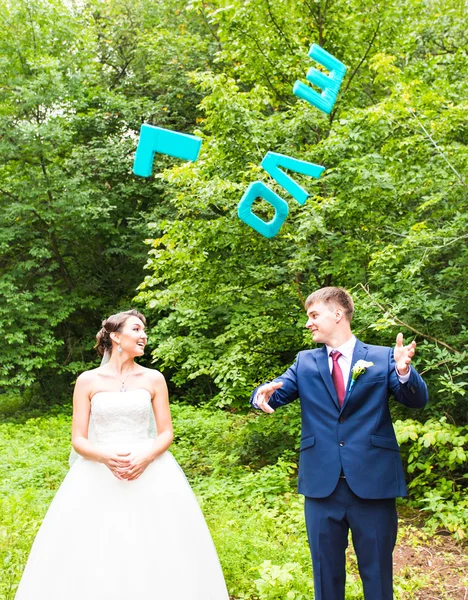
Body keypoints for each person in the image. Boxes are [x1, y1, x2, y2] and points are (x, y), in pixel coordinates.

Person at [15, 309, 229, 600]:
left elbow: (166, 432)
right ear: (116, 337)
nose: (144, 336)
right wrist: (104, 457)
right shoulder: (88, 381)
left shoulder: (154, 379)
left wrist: (145, 458)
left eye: (144, 331)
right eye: (137, 329)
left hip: (150, 469)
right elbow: (78, 439)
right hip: (98, 471)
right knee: (98, 544)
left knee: (156, 542)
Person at [251, 287, 428, 600]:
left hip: (373, 485)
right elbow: (275, 391)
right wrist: (260, 394)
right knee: (326, 578)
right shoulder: (304, 362)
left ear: (338, 314)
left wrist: (403, 372)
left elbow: (416, 400)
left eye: (314, 315)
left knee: (377, 577)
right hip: (322, 488)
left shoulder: (382, 357)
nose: (309, 323)